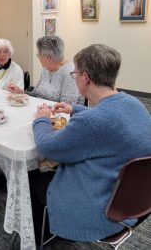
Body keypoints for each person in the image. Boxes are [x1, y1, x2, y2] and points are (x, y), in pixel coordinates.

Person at [30, 44, 151, 245]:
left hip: (101, 210)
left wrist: (41, 119)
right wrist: (74, 109)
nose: (74, 77)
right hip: (137, 200)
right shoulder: (133, 103)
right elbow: (109, 117)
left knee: (32, 175)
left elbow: (48, 146)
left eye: (75, 73)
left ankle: (40, 240)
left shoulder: (92, 123)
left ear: (85, 77)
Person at [8, 35, 83, 104]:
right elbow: (35, 94)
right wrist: (21, 92)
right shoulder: (46, 68)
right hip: (42, 110)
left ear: (47, 58)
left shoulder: (69, 73)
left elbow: (66, 107)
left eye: (39, 55)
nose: (39, 59)